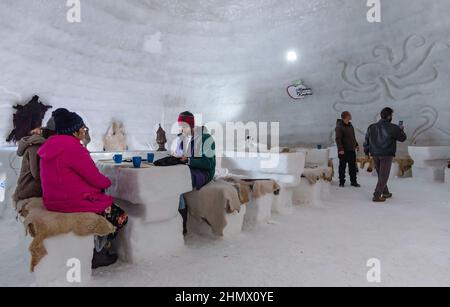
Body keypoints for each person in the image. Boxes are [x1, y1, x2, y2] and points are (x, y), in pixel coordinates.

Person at [38, 108, 128, 268]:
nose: (84, 130)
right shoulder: (73, 148)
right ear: (74, 131)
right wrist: (108, 183)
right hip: (71, 203)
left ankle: (96, 248)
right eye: (82, 128)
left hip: (53, 202)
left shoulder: (50, 146)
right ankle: (98, 252)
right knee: (120, 216)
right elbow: (95, 178)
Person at [175, 111, 216, 234]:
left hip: (203, 173)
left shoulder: (206, 138)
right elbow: (180, 154)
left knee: (177, 185)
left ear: (190, 125)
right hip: (187, 170)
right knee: (168, 180)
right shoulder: (182, 138)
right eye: (180, 127)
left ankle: (182, 226)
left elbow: (208, 163)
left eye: (183, 126)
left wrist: (187, 160)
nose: (181, 129)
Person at [364, 107, 407, 202]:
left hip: (375, 153)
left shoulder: (371, 127)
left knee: (381, 174)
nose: (392, 117)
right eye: (391, 115)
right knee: (384, 175)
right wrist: (401, 130)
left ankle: (386, 192)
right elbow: (403, 138)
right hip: (386, 154)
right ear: (388, 116)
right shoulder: (393, 127)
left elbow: (366, 141)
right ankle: (377, 195)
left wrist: (366, 153)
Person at [13, 118, 56, 205]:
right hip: (28, 194)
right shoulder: (36, 147)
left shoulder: (44, 145)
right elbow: (37, 173)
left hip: (36, 193)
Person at [335, 111, 360, 188]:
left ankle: (354, 182)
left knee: (352, 167)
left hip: (351, 150)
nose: (351, 116)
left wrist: (356, 145)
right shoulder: (339, 127)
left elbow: (352, 137)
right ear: (346, 117)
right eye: (349, 115)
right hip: (343, 151)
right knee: (342, 167)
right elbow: (338, 139)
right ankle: (341, 182)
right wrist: (340, 149)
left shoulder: (350, 125)